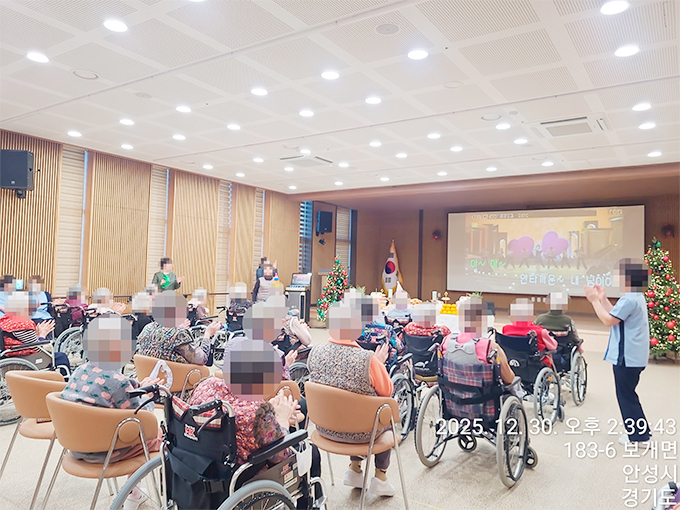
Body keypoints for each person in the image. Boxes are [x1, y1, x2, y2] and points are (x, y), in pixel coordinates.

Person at [188, 337, 321, 509]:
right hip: (243, 477)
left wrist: (269, 411)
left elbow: (240, 409)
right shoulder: (256, 413)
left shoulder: (206, 386)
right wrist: (281, 418)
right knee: (311, 451)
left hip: (205, 466)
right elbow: (282, 455)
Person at [61, 314, 162, 509]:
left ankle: (133, 492)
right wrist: (148, 395)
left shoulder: (79, 371)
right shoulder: (118, 382)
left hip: (75, 445)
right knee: (159, 437)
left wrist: (138, 388)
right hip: (106, 453)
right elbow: (142, 417)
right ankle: (133, 492)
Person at [307, 301, 396, 498]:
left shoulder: (315, 353)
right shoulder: (368, 360)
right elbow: (387, 392)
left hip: (324, 428)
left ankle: (354, 469)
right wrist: (379, 364)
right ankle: (380, 477)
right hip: (363, 435)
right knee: (384, 413)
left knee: (352, 404)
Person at [584, 258, 651, 445]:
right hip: (634, 357)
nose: (615, 278)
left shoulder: (629, 299)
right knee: (629, 394)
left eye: (618, 275)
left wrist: (594, 301)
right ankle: (641, 433)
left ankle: (639, 437)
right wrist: (603, 299)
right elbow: (615, 314)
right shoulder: (634, 297)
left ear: (627, 278)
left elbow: (608, 320)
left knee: (626, 396)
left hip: (627, 358)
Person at [441, 298, 517, 386]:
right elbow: (509, 379)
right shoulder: (491, 347)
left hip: (452, 392)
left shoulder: (447, 341)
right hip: (482, 393)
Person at [137, 291, 220, 365]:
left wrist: (178, 327)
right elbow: (202, 359)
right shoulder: (180, 333)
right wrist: (207, 334)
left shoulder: (147, 328)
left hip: (147, 374)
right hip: (173, 376)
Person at [502, 298, 558, 367]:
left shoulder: (506, 329)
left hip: (512, 363)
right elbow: (553, 347)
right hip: (535, 365)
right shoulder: (540, 332)